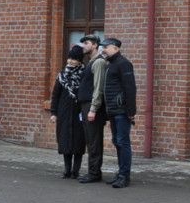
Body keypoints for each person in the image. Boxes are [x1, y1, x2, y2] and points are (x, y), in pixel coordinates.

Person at [99, 38, 136, 188]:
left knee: (123, 142)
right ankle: (120, 173)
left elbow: (130, 89)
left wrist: (131, 111)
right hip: (114, 110)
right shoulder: (112, 64)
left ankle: (124, 176)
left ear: (115, 48)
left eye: (106, 47)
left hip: (122, 111)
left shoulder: (123, 63)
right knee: (117, 142)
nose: (103, 50)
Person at [50, 44, 86, 178]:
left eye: (74, 59)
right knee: (65, 141)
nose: (70, 61)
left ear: (80, 61)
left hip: (79, 113)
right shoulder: (61, 76)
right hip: (64, 112)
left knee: (78, 142)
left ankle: (75, 171)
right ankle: (67, 170)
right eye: (69, 58)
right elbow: (55, 95)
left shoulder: (84, 74)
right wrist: (54, 113)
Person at [78, 35, 108, 183]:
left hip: (92, 106)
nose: (83, 45)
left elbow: (98, 88)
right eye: (83, 43)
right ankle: (92, 171)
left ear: (95, 45)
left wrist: (93, 108)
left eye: (86, 43)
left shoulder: (99, 62)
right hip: (86, 105)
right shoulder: (91, 62)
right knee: (90, 140)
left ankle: (94, 173)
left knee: (94, 140)